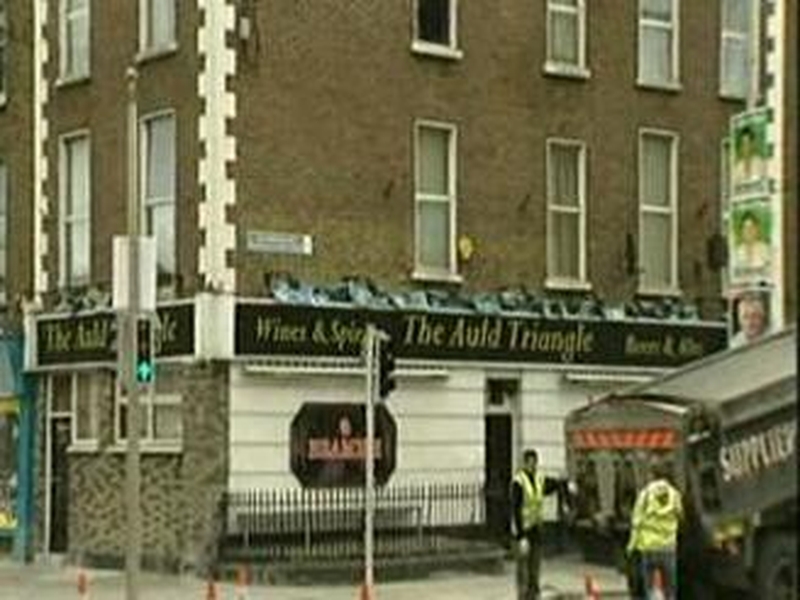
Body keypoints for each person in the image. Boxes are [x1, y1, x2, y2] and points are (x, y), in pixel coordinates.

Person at [510, 448, 564, 600]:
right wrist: (521, 537)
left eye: (535, 462)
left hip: (536, 530)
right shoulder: (518, 482)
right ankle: (523, 597)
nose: (533, 465)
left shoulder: (539, 479)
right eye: (530, 462)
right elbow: (515, 509)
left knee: (535, 568)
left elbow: (551, 486)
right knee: (523, 570)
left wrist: (564, 483)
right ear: (525, 463)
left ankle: (533, 595)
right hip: (524, 531)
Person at [626, 459, 683, 600]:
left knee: (650, 587)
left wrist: (631, 547)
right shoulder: (675, 495)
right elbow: (681, 515)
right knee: (671, 589)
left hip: (649, 548)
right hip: (668, 547)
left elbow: (636, 522)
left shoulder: (645, 494)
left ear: (652, 475)